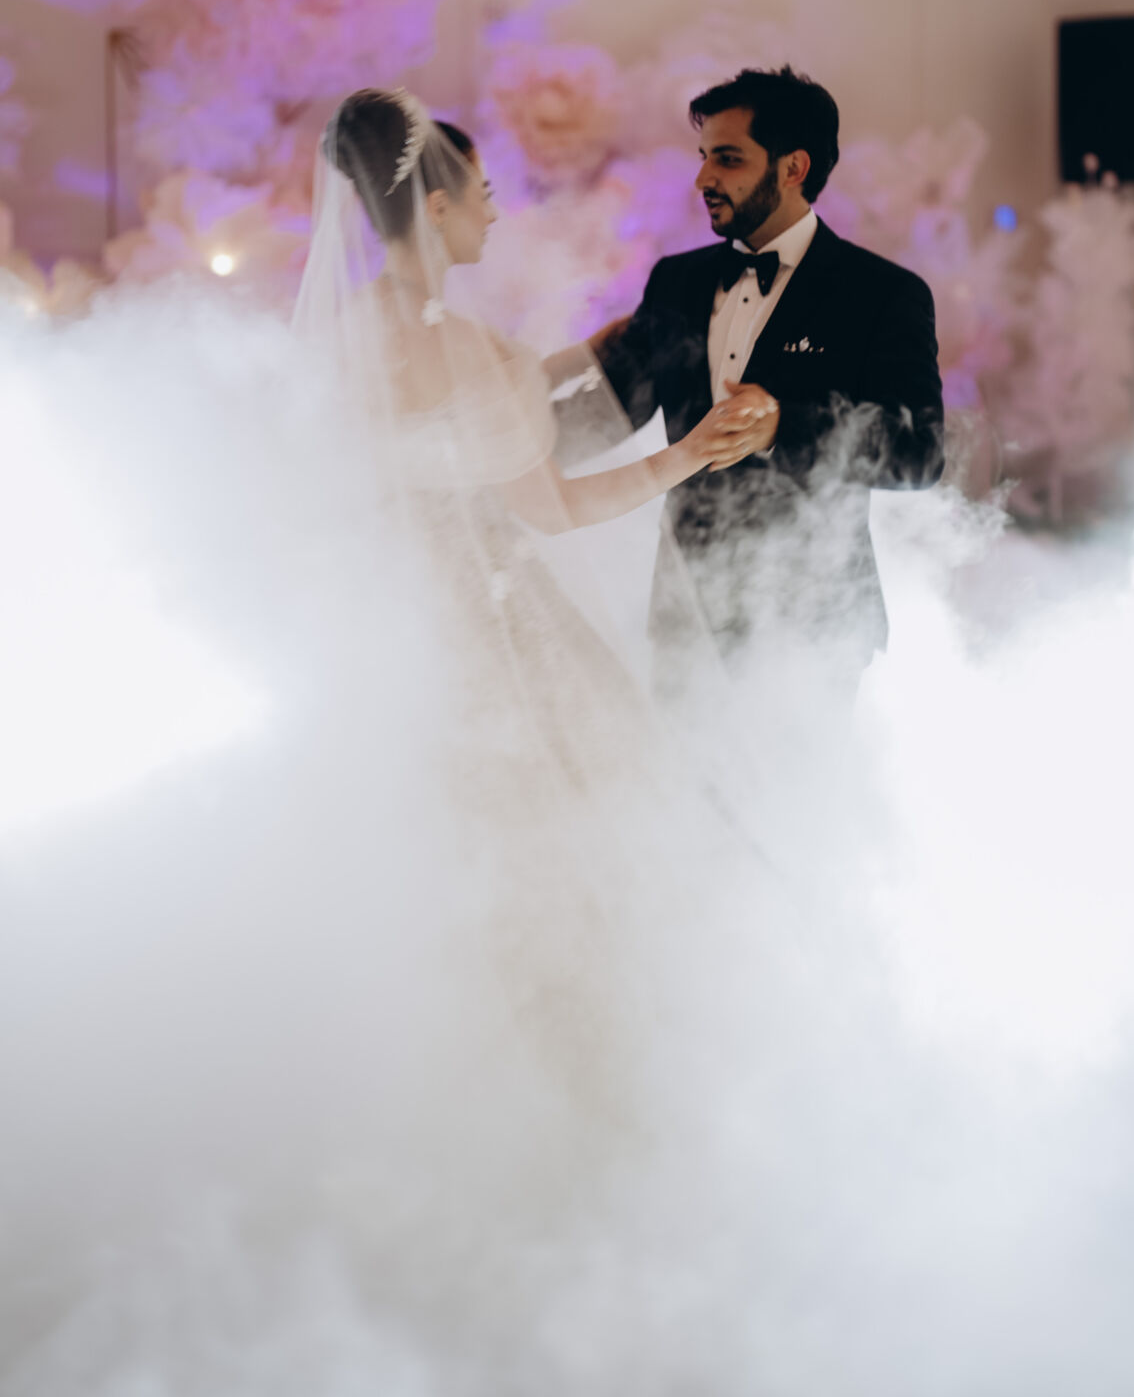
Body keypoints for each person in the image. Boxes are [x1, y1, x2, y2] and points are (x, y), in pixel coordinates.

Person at [292, 87, 747, 1122]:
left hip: (386, 635)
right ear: (437, 208)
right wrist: (686, 454)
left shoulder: (341, 341)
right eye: (483, 195)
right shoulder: (477, 354)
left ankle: (445, 1089)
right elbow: (552, 507)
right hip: (494, 629)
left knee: (429, 860)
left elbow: (388, 463)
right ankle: (586, 1088)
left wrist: (581, 362)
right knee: (559, 856)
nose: (495, 213)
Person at [587, 66, 945, 691]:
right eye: (703, 157)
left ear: (793, 168)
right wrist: (487, 431)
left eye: (727, 159)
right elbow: (607, 413)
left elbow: (920, 454)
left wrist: (783, 425)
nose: (703, 178)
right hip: (684, 621)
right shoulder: (675, 281)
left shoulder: (882, 294)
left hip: (813, 633)